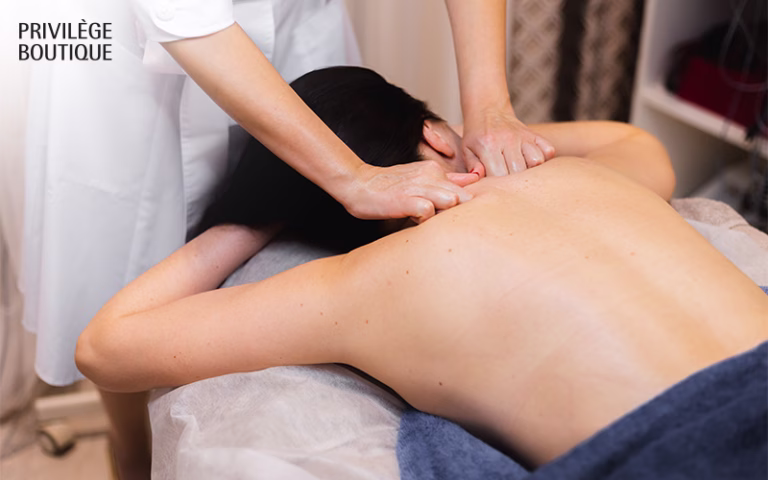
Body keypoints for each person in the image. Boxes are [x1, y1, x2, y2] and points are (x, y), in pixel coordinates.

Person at [75, 67, 768, 476]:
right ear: (433, 133)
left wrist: (257, 214)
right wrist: (478, 148)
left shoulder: (365, 286)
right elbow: (639, 144)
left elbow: (105, 346)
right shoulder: (588, 178)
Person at [23, 2, 550, 478]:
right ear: (434, 136)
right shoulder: (584, 164)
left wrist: (489, 108)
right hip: (125, 59)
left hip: (294, 21)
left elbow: (105, 344)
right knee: (121, 252)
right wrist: (341, 180)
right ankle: (131, 450)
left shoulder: (350, 289)